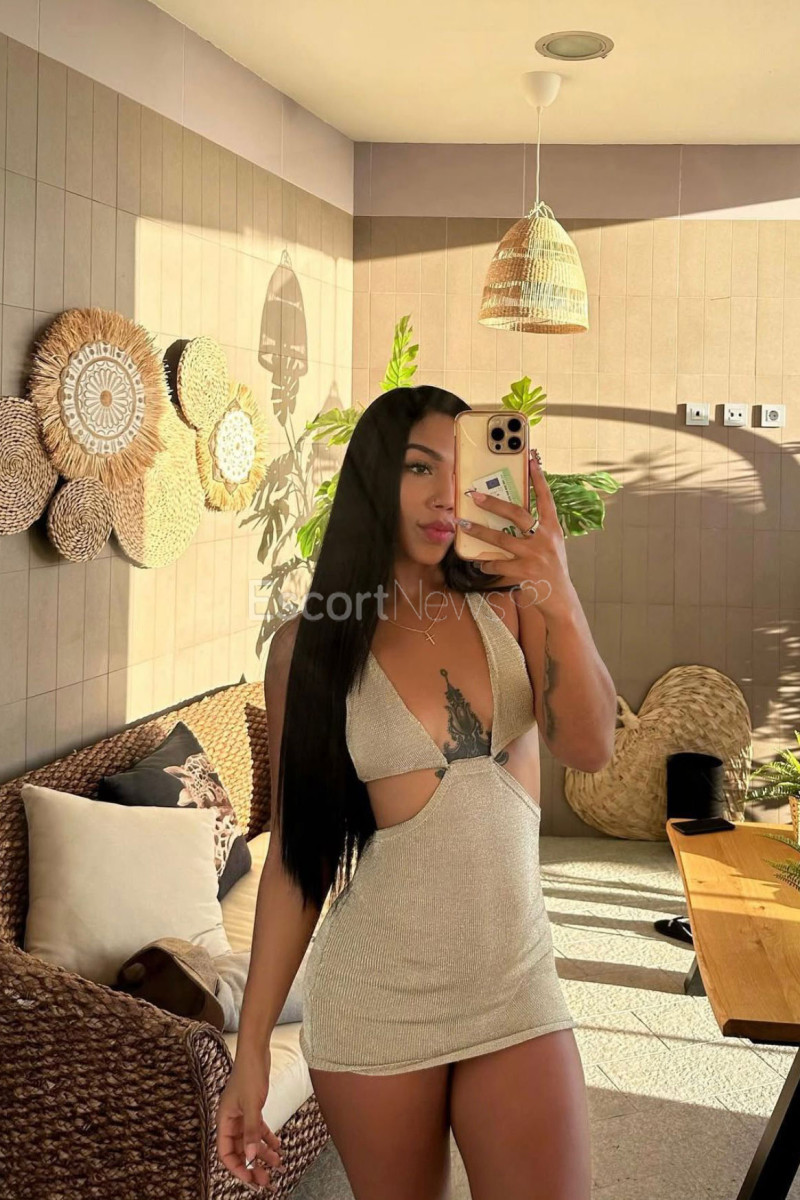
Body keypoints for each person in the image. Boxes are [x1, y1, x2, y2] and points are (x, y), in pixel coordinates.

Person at [215, 385, 617, 1199]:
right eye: (418, 468)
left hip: (516, 985)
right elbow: (298, 858)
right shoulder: (312, 645)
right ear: (375, 481)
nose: (444, 494)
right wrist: (251, 1049)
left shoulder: (512, 603)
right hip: (376, 1001)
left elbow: (590, 747)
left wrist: (559, 587)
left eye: (458, 468)